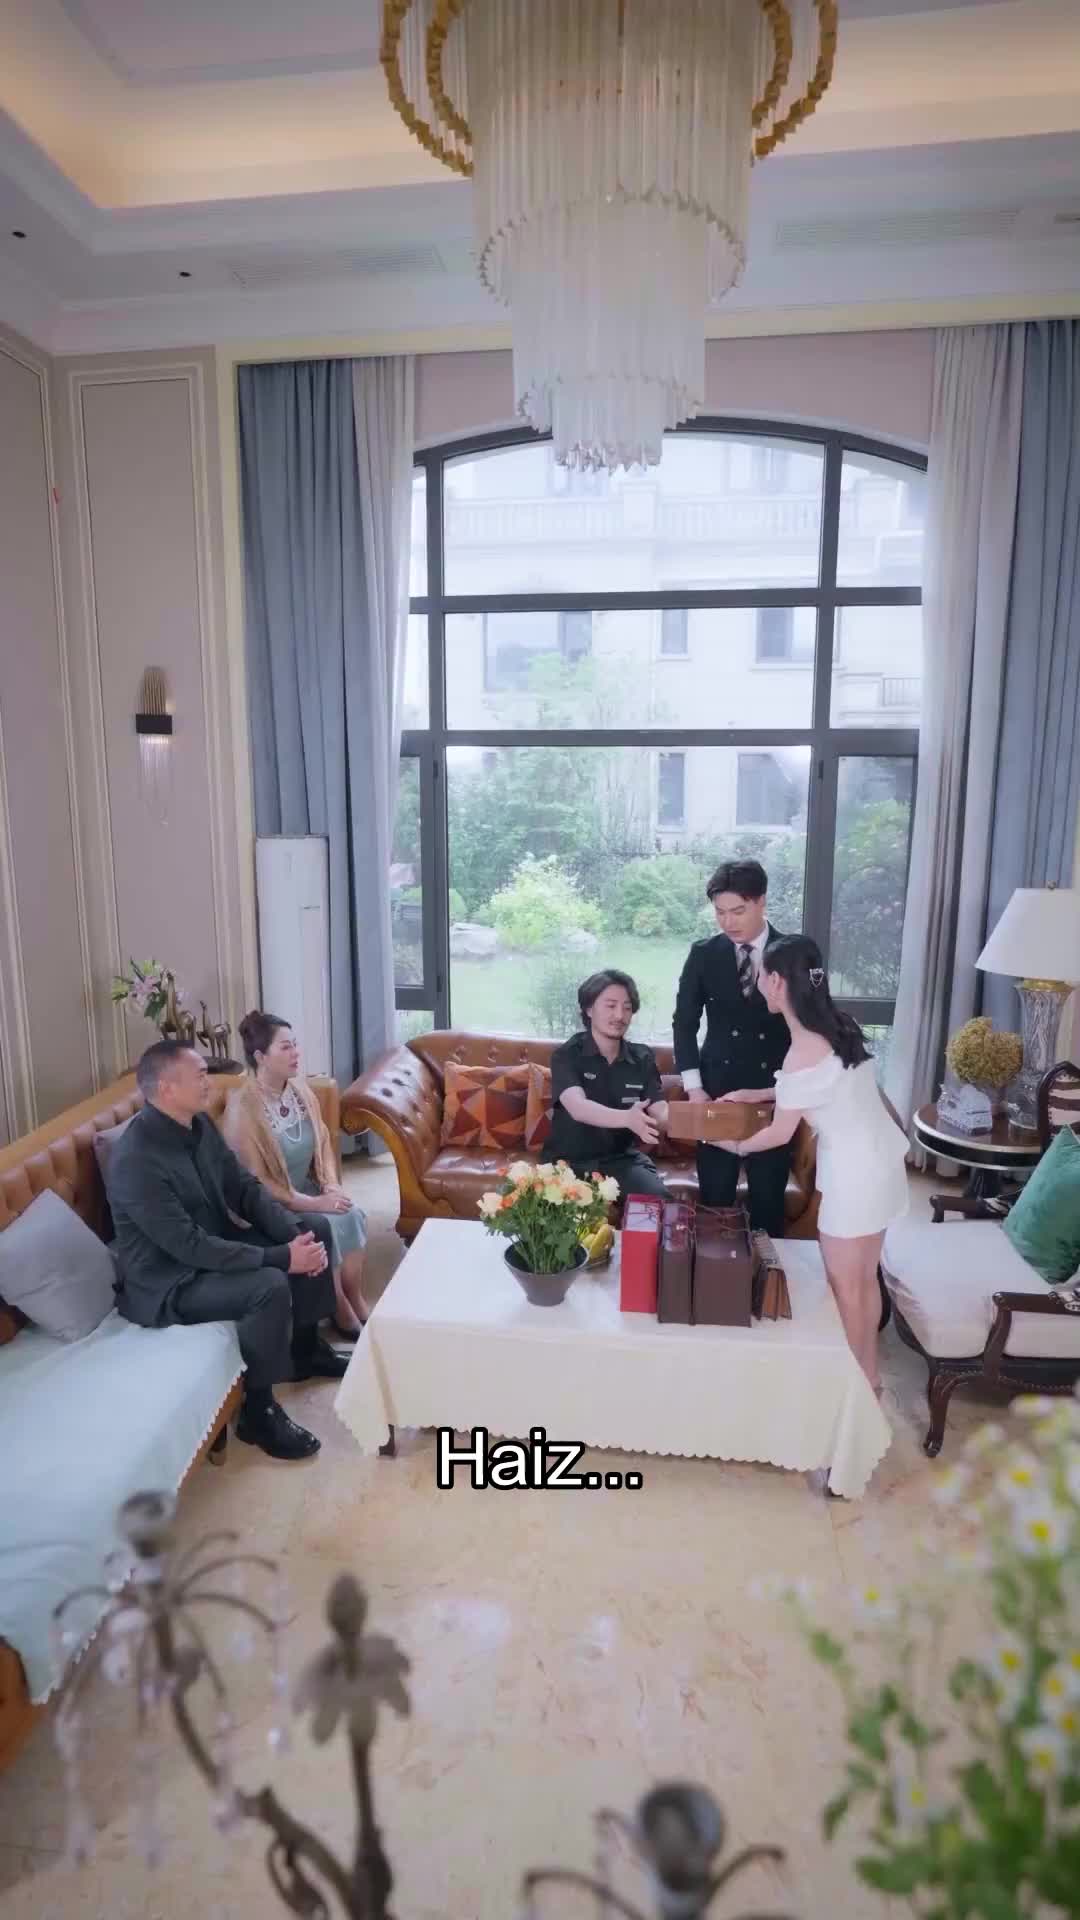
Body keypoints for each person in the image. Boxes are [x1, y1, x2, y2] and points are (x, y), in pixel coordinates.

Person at [108, 1040, 348, 1462]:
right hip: (172, 1281)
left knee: (315, 1227)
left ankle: (306, 1350)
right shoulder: (135, 1160)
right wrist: (282, 1257)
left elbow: (243, 1188)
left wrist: (295, 1236)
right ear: (166, 1088)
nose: (210, 1083)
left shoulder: (197, 1125)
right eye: (200, 1075)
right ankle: (259, 1412)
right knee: (267, 1284)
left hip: (214, 1248)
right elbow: (189, 1246)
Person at [715, 934, 909, 1395]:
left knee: (847, 1286)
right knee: (865, 1279)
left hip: (854, 1175)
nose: (759, 982)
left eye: (762, 975)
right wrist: (759, 1093)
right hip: (883, 1162)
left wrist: (732, 1145)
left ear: (777, 982)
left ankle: (857, 1390)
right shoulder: (839, 1026)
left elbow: (778, 1134)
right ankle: (870, 1378)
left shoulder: (801, 1050)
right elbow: (822, 1083)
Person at [224, 1011, 369, 1339]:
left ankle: (354, 1296)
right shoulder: (242, 1109)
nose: (296, 1053)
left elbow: (324, 1144)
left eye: (295, 1045)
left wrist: (331, 1187)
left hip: (309, 1190)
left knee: (351, 1214)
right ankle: (338, 1305)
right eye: (286, 1047)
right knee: (325, 1225)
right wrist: (316, 1204)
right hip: (273, 1206)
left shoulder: (301, 1091)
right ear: (261, 1057)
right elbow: (258, 1185)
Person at [672, 858, 791, 1234]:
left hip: (772, 1093)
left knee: (768, 1200)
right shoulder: (703, 953)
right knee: (715, 1200)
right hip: (716, 1091)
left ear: (762, 901)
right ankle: (716, 1268)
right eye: (720, 912)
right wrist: (694, 1088)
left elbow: (810, 1024)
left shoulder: (792, 953)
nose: (728, 922)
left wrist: (789, 1088)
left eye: (738, 911)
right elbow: (684, 1023)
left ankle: (769, 1268)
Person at [548, 969, 669, 1201]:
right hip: (568, 1164)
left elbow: (660, 1110)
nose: (619, 1015)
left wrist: (704, 1124)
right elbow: (578, 1107)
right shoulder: (567, 1055)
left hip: (621, 1161)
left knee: (659, 1205)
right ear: (589, 1009)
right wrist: (627, 1118)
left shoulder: (642, 1058)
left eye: (627, 1008)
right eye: (610, 1006)